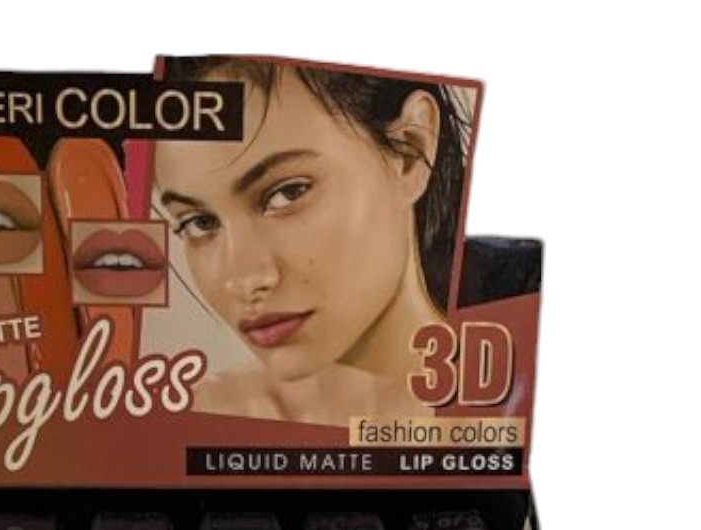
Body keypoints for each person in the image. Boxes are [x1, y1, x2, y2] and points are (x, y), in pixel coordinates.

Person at [155, 58, 471, 425]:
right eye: (200, 223)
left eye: (288, 193)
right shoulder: (185, 419)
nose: (242, 280)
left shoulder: (503, 417)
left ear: (408, 153)